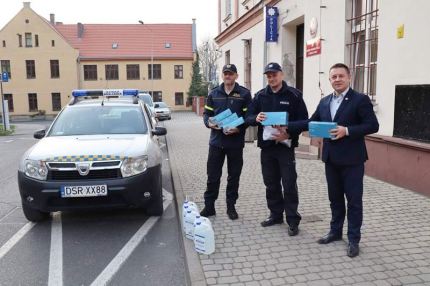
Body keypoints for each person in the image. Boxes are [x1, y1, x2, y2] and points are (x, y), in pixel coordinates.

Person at [288, 63, 379, 257]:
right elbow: (310, 122)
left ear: (349, 77)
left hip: (353, 160)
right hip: (331, 159)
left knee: (354, 202)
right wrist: (287, 126)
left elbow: (372, 125)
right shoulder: (325, 101)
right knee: (335, 199)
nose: (337, 79)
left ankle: (354, 239)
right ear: (329, 80)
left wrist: (347, 131)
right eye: (333, 77)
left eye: (340, 76)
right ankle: (335, 232)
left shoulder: (360, 99)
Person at [245, 62, 308, 236]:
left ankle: (293, 220)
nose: (272, 78)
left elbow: (304, 121)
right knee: (270, 183)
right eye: (269, 76)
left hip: (285, 147)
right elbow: (247, 117)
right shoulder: (260, 96)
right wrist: (255, 117)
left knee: (288, 184)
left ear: (281, 75)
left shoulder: (294, 95)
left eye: (274, 74)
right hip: (267, 148)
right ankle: (275, 215)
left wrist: (288, 133)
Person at [201, 64, 252, 220]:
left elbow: (249, 116)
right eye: (225, 73)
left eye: (230, 74)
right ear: (222, 75)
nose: (228, 76)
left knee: (233, 176)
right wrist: (209, 123)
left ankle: (231, 207)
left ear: (236, 76)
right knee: (213, 176)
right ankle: (209, 207)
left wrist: (239, 128)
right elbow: (206, 114)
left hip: (235, 144)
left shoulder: (244, 94)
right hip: (216, 143)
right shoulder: (213, 93)